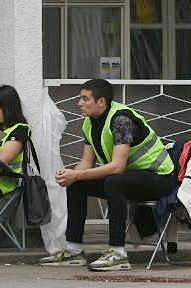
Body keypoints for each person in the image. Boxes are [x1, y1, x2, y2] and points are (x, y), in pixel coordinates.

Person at [41, 79, 176, 272]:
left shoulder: (121, 120)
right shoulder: (89, 123)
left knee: (114, 182)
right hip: (132, 178)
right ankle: (74, 251)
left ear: (101, 101)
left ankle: (118, 253)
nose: (79, 103)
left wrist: (78, 175)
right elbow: (87, 163)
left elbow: (117, 167)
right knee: (77, 184)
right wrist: (69, 175)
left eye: (85, 99)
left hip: (159, 178)